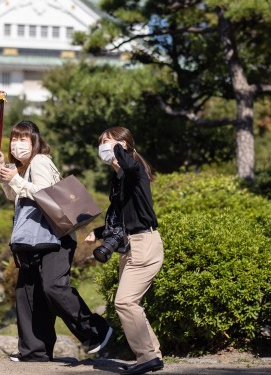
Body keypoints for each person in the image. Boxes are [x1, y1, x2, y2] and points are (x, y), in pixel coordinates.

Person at [0, 120, 112, 362]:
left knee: (53, 288)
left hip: (54, 238)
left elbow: (44, 193)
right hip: (32, 240)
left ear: (34, 141)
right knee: (28, 294)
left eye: (23, 139)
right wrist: (4, 173)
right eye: (14, 139)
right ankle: (34, 351)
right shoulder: (24, 167)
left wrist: (15, 179)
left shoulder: (39, 161)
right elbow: (14, 195)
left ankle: (96, 331)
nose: (17, 144)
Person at [85, 126, 164, 374]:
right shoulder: (120, 179)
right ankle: (152, 355)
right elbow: (121, 217)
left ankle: (147, 357)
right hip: (131, 245)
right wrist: (99, 232)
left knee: (125, 302)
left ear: (124, 146)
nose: (104, 148)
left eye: (108, 143)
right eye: (102, 143)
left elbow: (129, 166)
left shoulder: (135, 170)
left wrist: (119, 147)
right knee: (131, 303)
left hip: (144, 244)